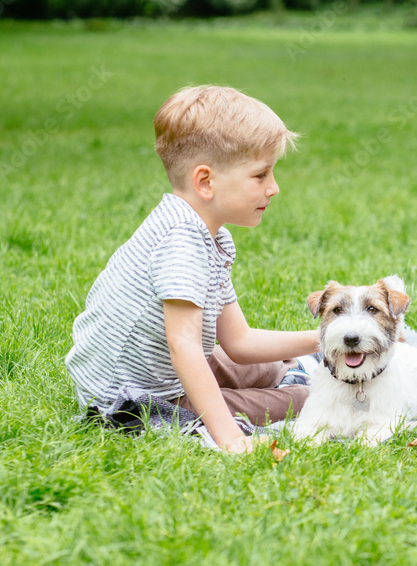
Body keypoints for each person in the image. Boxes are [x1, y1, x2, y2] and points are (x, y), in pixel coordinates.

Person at [65, 85, 318, 453]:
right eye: (260, 175)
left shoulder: (210, 237)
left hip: (162, 369)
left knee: (272, 368)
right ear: (205, 181)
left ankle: (296, 372)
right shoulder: (180, 242)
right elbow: (183, 346)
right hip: (133, 399)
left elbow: (238, 342)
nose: (274, 188)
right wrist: (230, 437)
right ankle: (296, 390)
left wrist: (323, 337)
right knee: (304, 399)